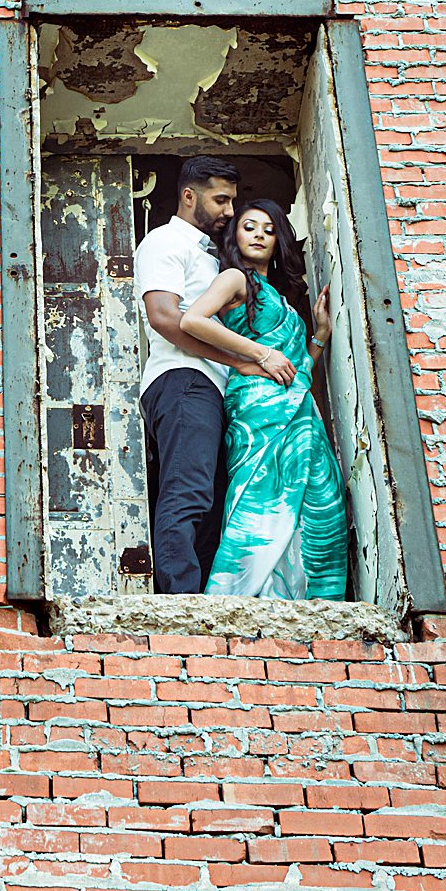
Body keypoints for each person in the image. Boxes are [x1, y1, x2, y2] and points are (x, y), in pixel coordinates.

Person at [181, 198, 349, 600]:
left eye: (269, 230)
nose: (258, 235)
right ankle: (242, 598)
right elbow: (192, 320)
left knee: (318, 499)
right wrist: (258, 354)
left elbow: (294, 370)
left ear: (279, 243)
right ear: (235, 235)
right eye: (249, 226)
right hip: (256, 407)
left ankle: (303, 598)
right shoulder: (235, 279)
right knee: (262, 502)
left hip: (299, 409)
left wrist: (320, 336)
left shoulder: (280, 298)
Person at [134, 155, 258, 594]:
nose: (229, 212)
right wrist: (239, 361)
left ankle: (205, 600)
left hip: (211, 387)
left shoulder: (210, 255)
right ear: (189, 196)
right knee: (187, 494)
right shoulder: (165, 242)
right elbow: (165, 318)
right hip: (183, 378)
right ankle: (176, 602)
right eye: (220, 200)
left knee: (210, 503)